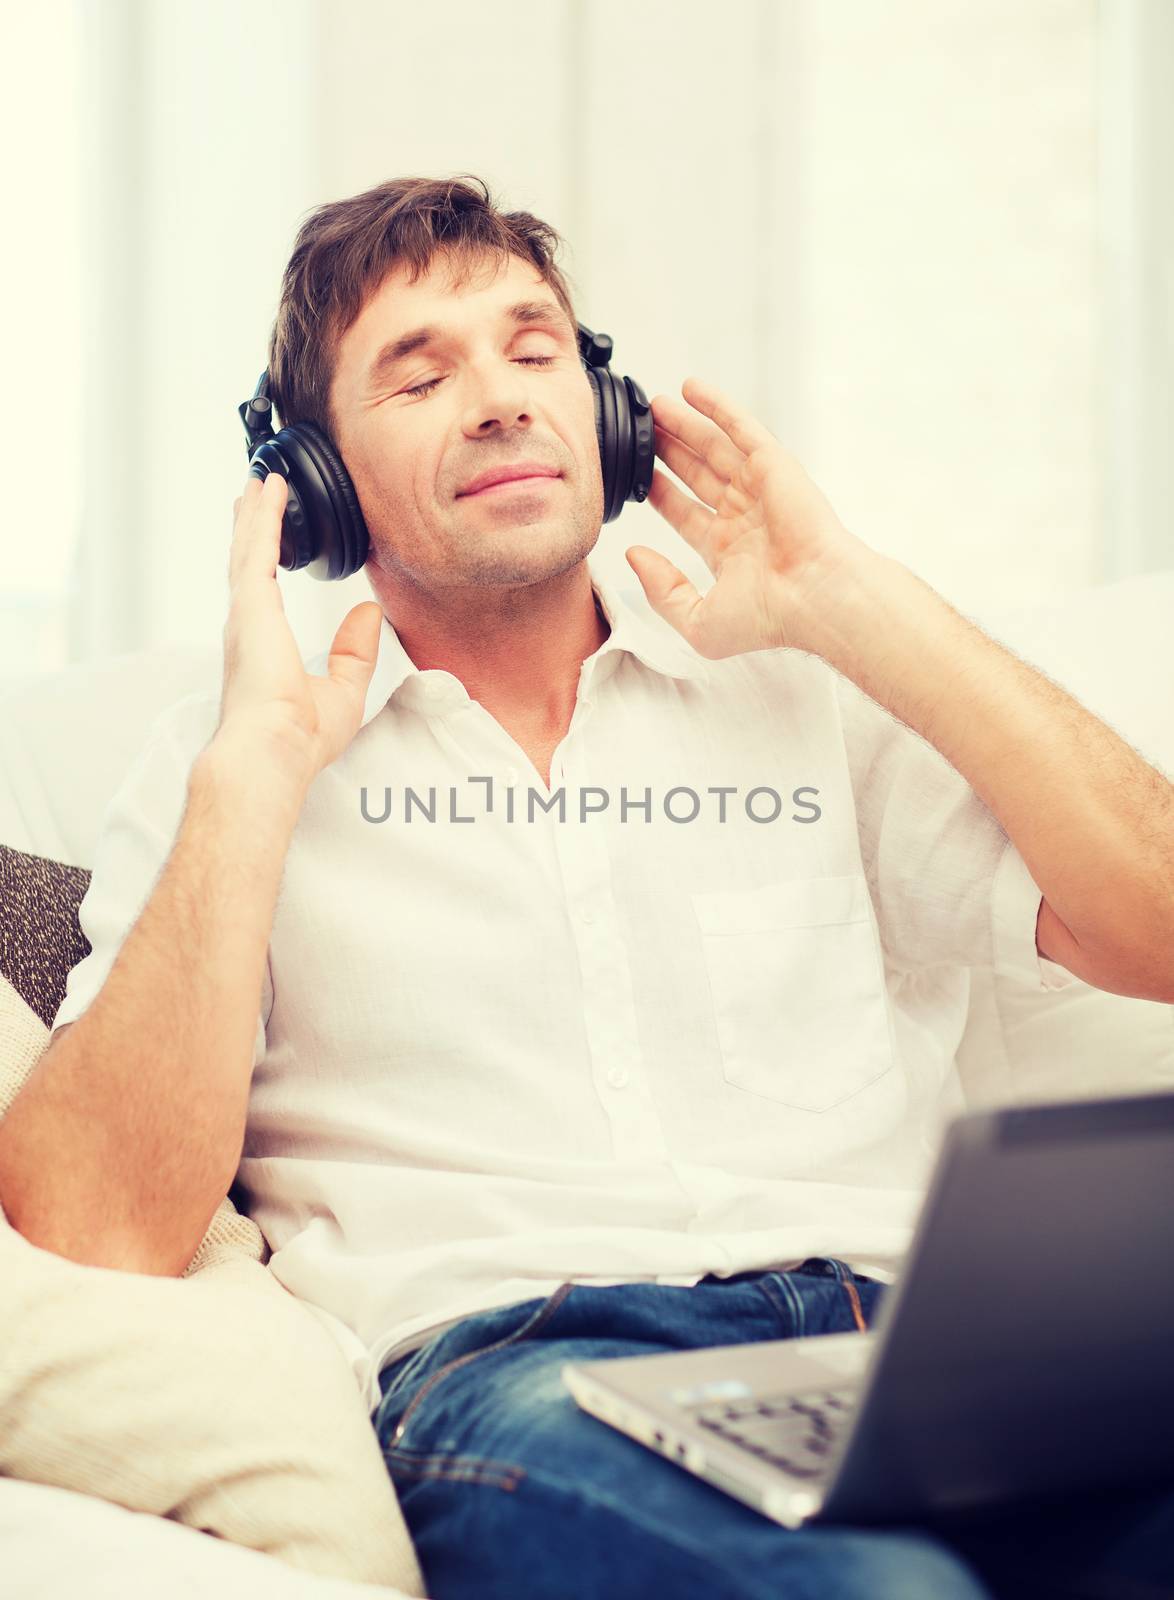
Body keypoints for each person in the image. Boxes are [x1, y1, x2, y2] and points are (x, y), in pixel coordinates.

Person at [1, 174, 1171, 1599]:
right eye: (417, 375)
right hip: (527, 1377)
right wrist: (248, 788)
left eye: (533, 349)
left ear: (608, 417)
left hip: (901, 1346)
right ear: (311, 479)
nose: (497, 399)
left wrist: (854, 593)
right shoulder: (228, 757)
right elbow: (94, 1229)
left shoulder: (798, 683)